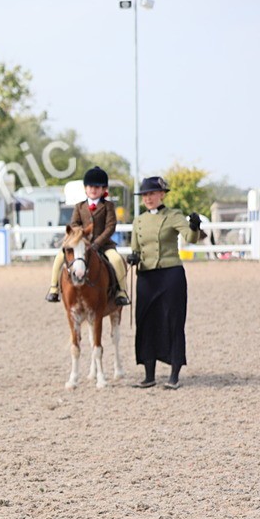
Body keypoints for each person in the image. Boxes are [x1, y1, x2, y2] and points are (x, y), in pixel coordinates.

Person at [127, 176, 201, 390]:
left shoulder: (173, 216)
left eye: (151, 194)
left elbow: (190, 237)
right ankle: (148, 375)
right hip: (147, 276)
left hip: (170, 275)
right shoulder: (138, 221)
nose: (148, 198)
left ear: (162, 194)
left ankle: (174, 374)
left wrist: (194, 226)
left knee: (173, 321)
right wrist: (133, 258)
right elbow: (136, 249)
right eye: (145, 195)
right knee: (146, 322)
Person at [47, 167, 130, 306]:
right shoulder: (79, 206)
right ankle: (54, 288)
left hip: (103, 244)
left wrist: (97, 243)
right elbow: (74, 224)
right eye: (90, 186)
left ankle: (121, 291)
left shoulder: (108, 206)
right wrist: (81, 236)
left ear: (103, 189)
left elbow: (110, 227)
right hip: (81, 244)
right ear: (85, 188)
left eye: (97, 187)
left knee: (116, 260)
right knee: (59, 258)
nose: (93, 189)